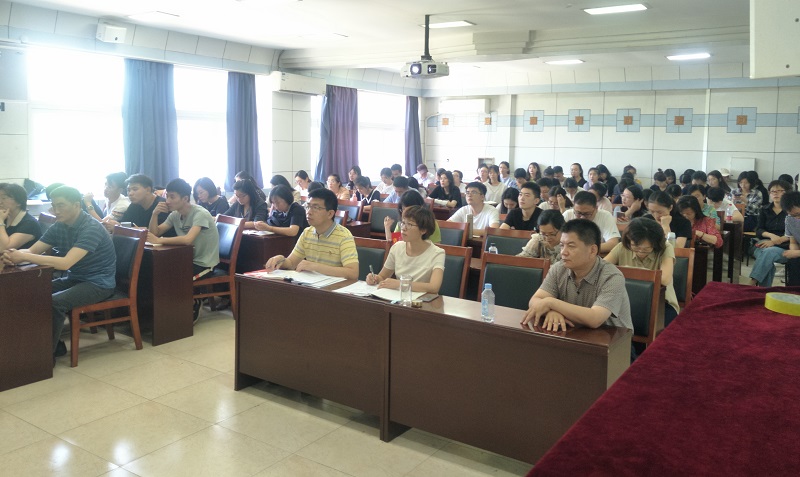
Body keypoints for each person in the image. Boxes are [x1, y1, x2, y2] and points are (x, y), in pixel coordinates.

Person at [3, 186, 116, 361]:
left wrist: (23, 256)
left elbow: (66, 263)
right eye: (54, 206)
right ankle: (35, 344)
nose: (56, 210)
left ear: (76, 205)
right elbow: (33, 250)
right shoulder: (60, 225)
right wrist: (12, 254)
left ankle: (46, 354)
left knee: (55, 303)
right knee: (30, 292)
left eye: (61, 205)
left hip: (99, 283)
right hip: (75, 278)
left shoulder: (91, 227)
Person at [521, 219, 633, 336]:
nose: (563, 252)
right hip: (574, 335)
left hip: (614, 341)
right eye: (562, 245)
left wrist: (551, 303)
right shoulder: (559, 268)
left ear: (592, 250)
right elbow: (535, 300)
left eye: (571, 246)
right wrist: (551, 312)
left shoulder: (612, 277)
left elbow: (595, 318)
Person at [148, 179, 221, 321]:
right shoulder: (175, 214)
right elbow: (155, 232)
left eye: (172, 197)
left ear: (185, 198)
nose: (168, 201)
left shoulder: (200, 213)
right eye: (167, 196)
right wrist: (154, 214)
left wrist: (159, 240)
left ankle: (194, 302)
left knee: (176, 278)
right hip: (187, 259)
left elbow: (188, 239)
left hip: (205, 264)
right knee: (159, 273)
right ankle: (166, 313)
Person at [264, 188, 359, 280]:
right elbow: (292, 263)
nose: (309, 212)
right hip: (312, 286)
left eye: (316, 208)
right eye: (308, 206)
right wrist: (281, 260)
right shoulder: (307, 233)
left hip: (335, 288)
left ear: (330, 214)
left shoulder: (344, 236)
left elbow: (353, 273)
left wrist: (315, 267)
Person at [605, 217, 680, 327]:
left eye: (646, 249)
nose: (640, 251)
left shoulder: (665, 248)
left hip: (661, 303)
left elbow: (665, 279)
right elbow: (602, 269)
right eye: (635, 246)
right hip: (627, 300)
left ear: (655, 244)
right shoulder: (622, 247)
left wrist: (625, 271)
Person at [367, 205, 444, 294]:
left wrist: (400, 284)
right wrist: (375, 278)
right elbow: (382, 277)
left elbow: (434, 287)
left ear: (423, 230)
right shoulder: (397, 247)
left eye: (409, 224)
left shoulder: (437, 253)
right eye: (403, 223)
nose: (403, 228)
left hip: (423, 300)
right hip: (399, 298)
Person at [748, 180, 791, 286]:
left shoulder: (792, 211)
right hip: (764, 243)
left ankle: (752, 283)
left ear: (787, 193)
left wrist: (774, 242)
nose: (776, 194)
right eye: (773, 191)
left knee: (768, 254)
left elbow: (793, 233)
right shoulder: (764, 209)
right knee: (767, 256)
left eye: (780, 191)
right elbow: (759, 230)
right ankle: (763, 291)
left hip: (786, 247)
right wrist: (771, 236)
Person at [0, 182, 42, 251]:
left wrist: (0, 222)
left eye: (4, 198)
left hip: (21, 258)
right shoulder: (5, 217)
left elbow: (4, 248)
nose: (0, 202)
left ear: (19, 202)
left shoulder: (30, 224)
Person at [779, 192, 800, 286]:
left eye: (798, 214)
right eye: (793, 215)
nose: (797, 218)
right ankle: (793, 291)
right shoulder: (789, 219)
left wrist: (797, 253)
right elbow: (793, 242)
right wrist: (793, 253)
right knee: (794, 262)